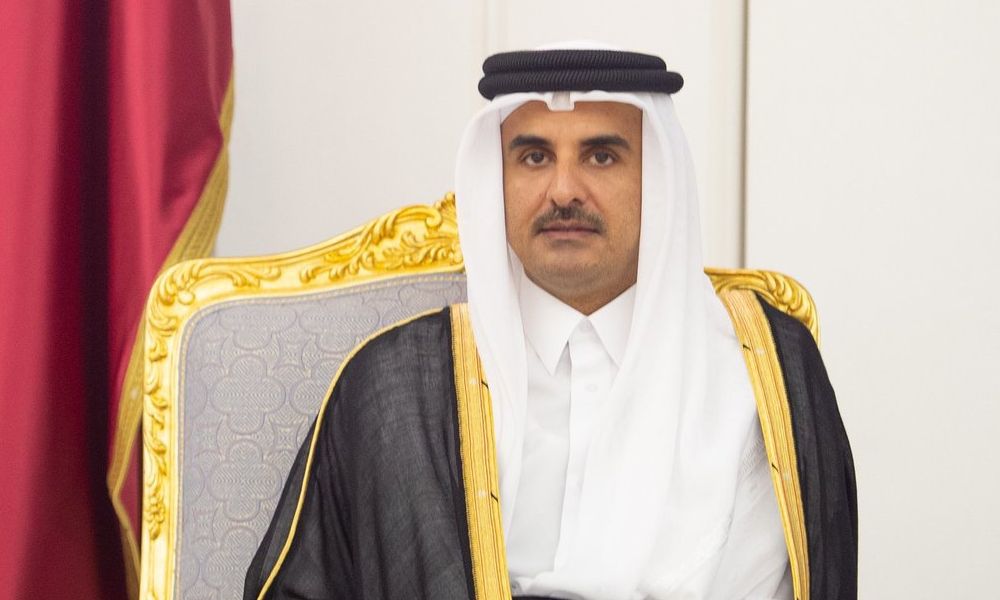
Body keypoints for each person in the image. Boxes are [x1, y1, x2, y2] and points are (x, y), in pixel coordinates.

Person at [244, 42, 857, 600]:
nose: (564, 190)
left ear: (658, 180)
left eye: (601, 156)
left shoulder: (761, 375)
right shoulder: (394, 388)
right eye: (534, 157)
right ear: (498, 179)